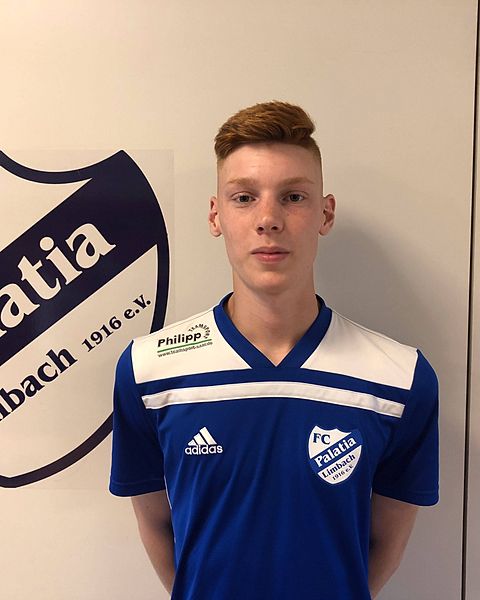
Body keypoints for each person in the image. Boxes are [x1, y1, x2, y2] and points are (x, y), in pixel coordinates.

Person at [109, 101, 439, 599]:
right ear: (216, 214)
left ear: (325, 213)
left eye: (293, 197)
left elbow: (382, 546)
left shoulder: (399, 379)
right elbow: (157, 526)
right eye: (244, 197)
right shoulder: (149, 370)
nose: (268, 219)